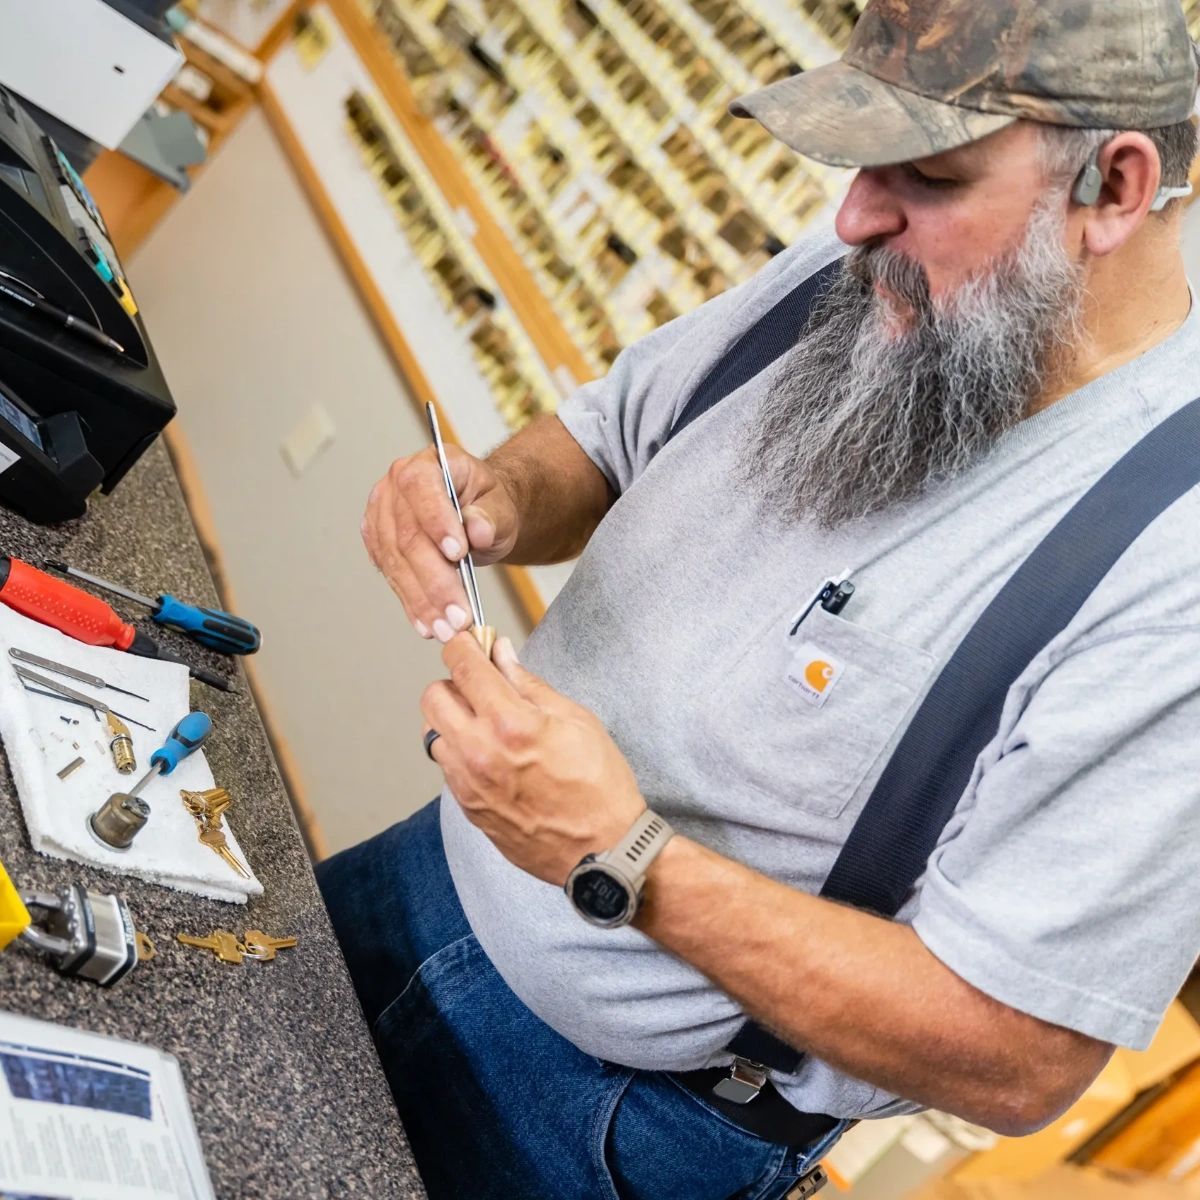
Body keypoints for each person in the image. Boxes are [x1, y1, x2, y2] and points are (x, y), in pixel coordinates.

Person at [320, 1, 1200, 1197]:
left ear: (1115, 186)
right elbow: (608, 438)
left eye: (928, 177)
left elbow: (1014, 1055)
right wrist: (495, 499)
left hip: (603, 1123)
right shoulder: (874, 271)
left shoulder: (1172, 569)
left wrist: (622, 857)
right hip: (420, 873)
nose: (852, 217)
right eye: (860, 164)